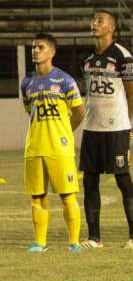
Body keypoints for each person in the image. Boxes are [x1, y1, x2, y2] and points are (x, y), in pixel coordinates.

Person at [79, 9, 133, 249]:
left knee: (123, 180)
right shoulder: (86, 56)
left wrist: (124, 122)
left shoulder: (123, 56)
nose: (94, 23)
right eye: (93, 20)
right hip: (91, 128)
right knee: (89, 182)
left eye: (100, 20)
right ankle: (94, 237)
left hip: (116, 130)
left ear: (112, 28)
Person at [22, 33, 86, 253]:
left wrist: (64, 132)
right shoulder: (27, 82)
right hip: (34, 147)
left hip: (59, 148)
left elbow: (79, 112)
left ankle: (74, 242)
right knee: (37, 196)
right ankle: (40, 242)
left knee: (67, 196)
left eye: (40, 47)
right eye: (33, 47)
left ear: (52, 52)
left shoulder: (65, 80)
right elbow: (29, 111)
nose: (35, 51)